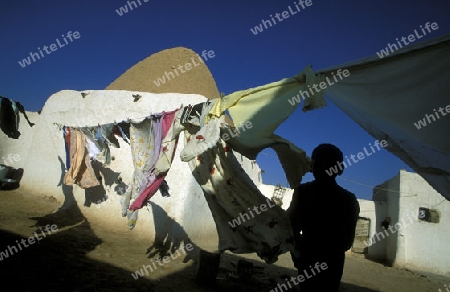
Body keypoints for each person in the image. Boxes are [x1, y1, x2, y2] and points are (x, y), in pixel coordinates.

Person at [287, 143, 360, 291]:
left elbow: (291, 229)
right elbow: (346, 243)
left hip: (308, 259)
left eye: (317, 163)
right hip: (333, 263)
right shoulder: (349, 199)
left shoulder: (303, 192)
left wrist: (299, 255)